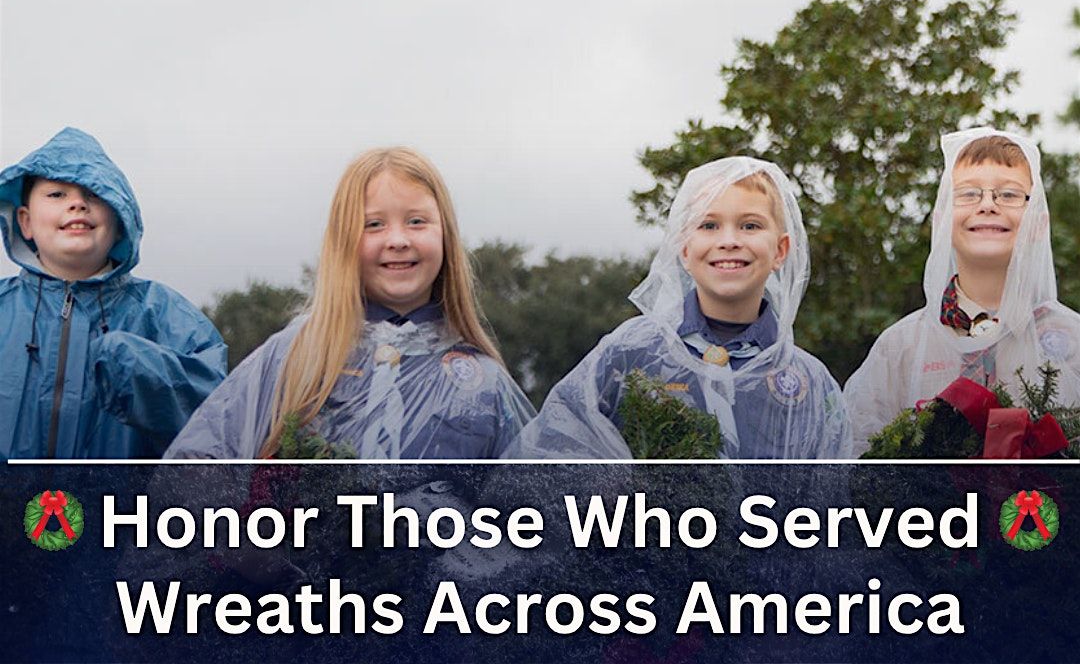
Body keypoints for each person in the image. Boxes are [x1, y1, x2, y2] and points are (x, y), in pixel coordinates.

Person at [166, 146, 535, 459]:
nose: (397, 240)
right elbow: (198, 474)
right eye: (373, 225)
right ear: (343, 242)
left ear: (447, 237)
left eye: (417, 221)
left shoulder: (483, 384)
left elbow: (532, 514)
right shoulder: (292, 360)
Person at [504, 157, 851, 459]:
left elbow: (829, 504)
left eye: (750, 225)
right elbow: (554, 450)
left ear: (780, 251)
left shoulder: (810, 383)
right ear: (684, 249)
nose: (728, 240)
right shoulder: (630, 354)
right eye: (709, 225)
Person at [844, 127, 1080, 455]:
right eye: (968, 193)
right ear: (941, 222)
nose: (987, 205)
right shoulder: (901, 348)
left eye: (1009, 194)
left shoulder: (1073, 340)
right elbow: (858, 458)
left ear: (1039, 224)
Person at [0, 127, 227, 458]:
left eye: (94, 193)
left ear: (120, 220)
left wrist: (143, 371)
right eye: (57, 195)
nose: (77, 203)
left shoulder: (168, 317)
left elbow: (221, 416)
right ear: (25, 221)